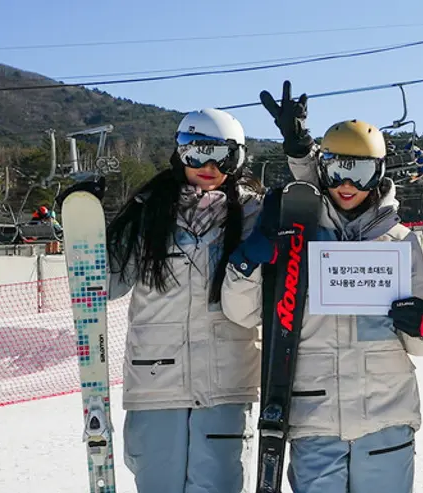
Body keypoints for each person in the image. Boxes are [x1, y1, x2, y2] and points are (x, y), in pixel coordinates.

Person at [222, 88, 423, 493]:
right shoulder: (296, 235)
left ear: (379, 174)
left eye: (360, 173)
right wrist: (244, 267)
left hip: (385, 416)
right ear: (322, 172)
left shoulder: (400, 242)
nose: (348, 185)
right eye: (337, 172)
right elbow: (244, 314)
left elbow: (416, 349)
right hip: (315, 418)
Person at [106, 108, 263, 493]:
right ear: (179, 154)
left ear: (238, 159)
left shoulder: (256, 214)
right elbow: (108, 284)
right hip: (157, 381)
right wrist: (90, 228)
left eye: (221, 155)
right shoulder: (148, 212)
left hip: (225, 381)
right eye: (196, 153)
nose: (208, 165)